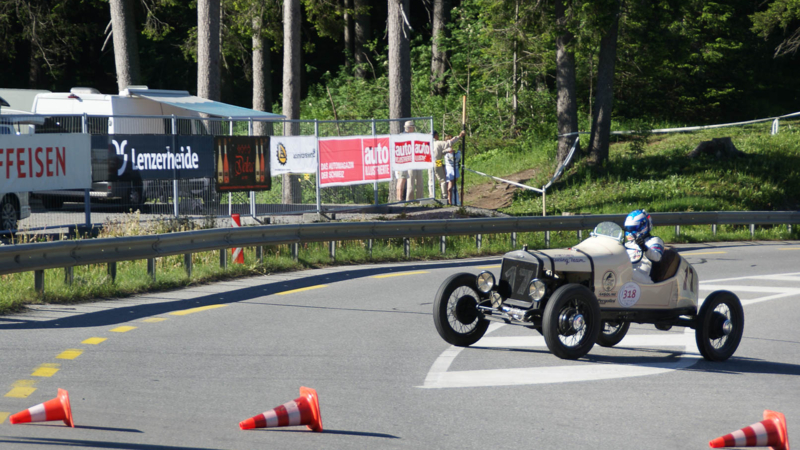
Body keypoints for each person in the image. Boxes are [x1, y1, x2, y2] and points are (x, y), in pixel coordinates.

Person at [623, 209, 665, 284]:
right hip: (629, 273)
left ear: (643, 226)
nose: (630, 232)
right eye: (628, 229)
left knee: (627, 272)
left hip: (644, 277)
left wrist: (644, 247)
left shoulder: (654, 241)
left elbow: (657, 257)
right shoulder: (628, 244)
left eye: (633, 229)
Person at [432, 130, 464, 202]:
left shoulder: (428, 143)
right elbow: (449, 142)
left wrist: (446, 151)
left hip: (429, 162)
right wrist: (459, 136)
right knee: (442, 179)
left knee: (431, 179)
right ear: (435, 136)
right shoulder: (438, 143)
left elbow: (441, 152)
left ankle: (431, 195)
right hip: (437, 161)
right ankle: (444, 196)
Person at [395, 120, 415, 201]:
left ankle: (399, 198)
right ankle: (399, 199)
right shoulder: (405, 137)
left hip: (401, 160)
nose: (413, 129)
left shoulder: (402, 135)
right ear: (410, 128)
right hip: (402, 161)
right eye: (413, 127)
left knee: (402, 179)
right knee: (401, 179)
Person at [444, 132, 465, 205]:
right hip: (451, 171)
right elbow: (455, 158)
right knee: (451, 187)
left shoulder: (447, 151)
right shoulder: (448, 152)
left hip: (453, 170)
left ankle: (454, 201)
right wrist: (459, 151)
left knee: (453, 187)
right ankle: (451, 201)